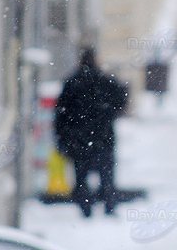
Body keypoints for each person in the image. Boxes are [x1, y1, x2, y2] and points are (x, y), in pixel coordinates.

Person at [54, 48, 128, 217]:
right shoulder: (105, 81)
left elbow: (61, 114)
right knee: (106, 176)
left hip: (79, 140)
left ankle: (86, 207)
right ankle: (109, 205)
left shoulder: (73, 83)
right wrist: (107, 113)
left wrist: (62, 138)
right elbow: (121, 100)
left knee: (82, 177)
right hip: (103, 138)